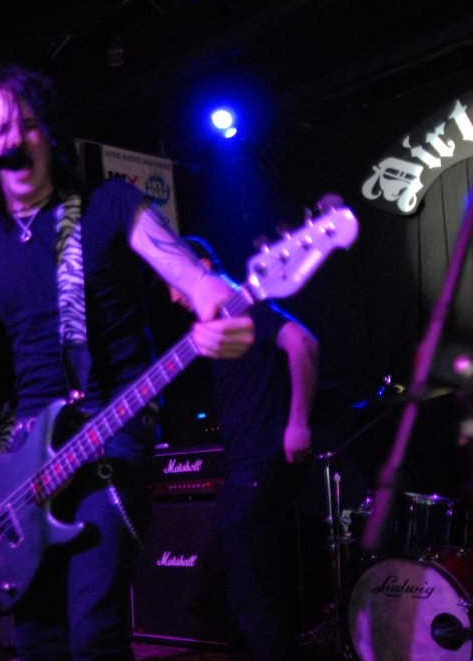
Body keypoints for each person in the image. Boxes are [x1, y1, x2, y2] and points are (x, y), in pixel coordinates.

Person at [0, 64, 254, 660]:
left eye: (28, 124)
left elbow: (192, 277)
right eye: (0, 130)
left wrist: (219, 301)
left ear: (49, 135)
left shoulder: (111, 204)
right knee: (37, 640)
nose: (16, 139)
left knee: (94, 628)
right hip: (22, 462)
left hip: (113, 435)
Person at [170, 236, 319, 661]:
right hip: (245, 466)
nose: (174, 297)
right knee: (232, 584)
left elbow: (304, 343)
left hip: (260, 463)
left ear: (202, 266)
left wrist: (298, 422)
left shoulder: (241, 305)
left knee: (252, 595)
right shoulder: (222, 319)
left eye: (175, 282)